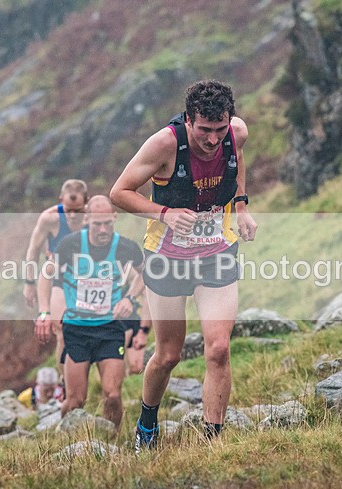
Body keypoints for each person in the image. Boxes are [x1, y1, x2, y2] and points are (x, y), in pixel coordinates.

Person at [110, 79, 258, 452]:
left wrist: (241, 206)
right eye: (204, 131)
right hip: (167, 260)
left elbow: (237, 163)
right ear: (189, 121)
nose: (212, 140)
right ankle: (147, 422)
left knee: (218, 348)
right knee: (168, 355)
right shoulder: (165, 144)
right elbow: (119, 193)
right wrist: (164, 213)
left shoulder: (235, 134)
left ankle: (212, 442)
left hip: (216, 253)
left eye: (219, 130)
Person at [35, 195, 145, 428]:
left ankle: (111, 445)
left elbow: (147, 273)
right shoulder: (71, 244)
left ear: (115, 218)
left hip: (110, 329)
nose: (103, 229)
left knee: (113, 395)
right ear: (87, 220)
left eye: (108, 223)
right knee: (75, 401)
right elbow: (47, 273)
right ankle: (63, 435)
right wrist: (44, 312)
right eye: (97, 224)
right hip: (77, 331)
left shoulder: (125, 247)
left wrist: (130, 298)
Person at [24, 179, 87, 373]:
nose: (73, 215)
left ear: (87, 202)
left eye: (78, 210)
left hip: (85, 279)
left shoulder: (95, 217)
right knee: (62, 331)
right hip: (56, 279)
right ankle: (64, 380)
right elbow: (33, 250)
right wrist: (29, 283)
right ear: (61, 201)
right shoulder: (49, 219)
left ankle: (84, 376)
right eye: (68, 209)